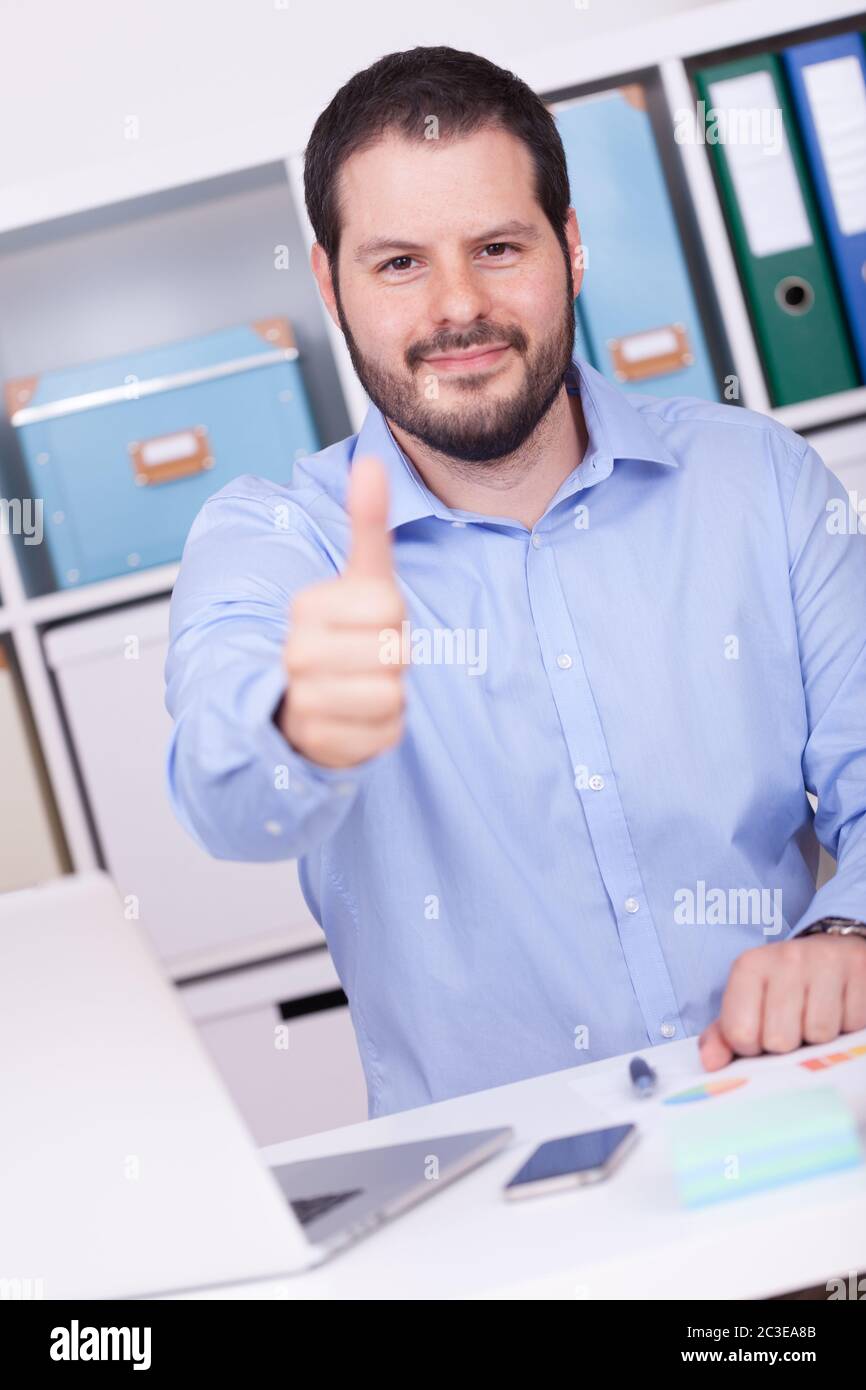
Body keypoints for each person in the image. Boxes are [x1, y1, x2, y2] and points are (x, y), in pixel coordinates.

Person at [165, 46, 866, 1119]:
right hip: (506, 1227)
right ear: (328, 283)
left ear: (571, 246)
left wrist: (842, 932)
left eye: (496, 246)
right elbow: (226, 796)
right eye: (398, 263)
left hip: (797, 1132)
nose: (457, 309)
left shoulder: (759, 482)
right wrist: (299, 723)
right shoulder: (276, 538)